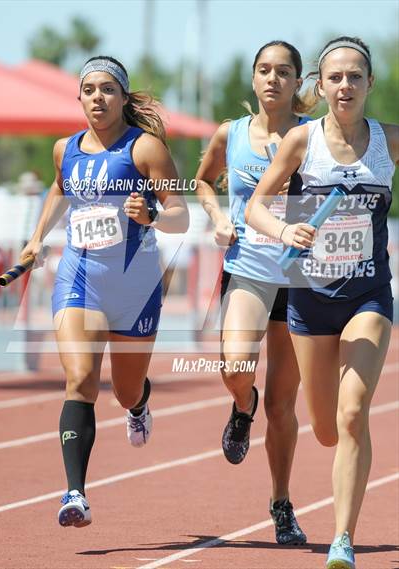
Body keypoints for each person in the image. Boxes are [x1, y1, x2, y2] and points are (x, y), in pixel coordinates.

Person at [245, 36, 398, 569]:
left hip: (368, 296)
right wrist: (285, 232)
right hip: (310, 300)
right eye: (335, 77)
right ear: (321, 85)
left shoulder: (388, 140)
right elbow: (256, 209)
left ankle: (342, 540)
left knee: (354, 413)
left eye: (355, 76)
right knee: (328, 429)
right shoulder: (301, 142)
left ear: (370, 83)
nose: (345, 86)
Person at [20, 56, 189, 528]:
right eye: (89, 89)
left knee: (125, 388)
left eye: (108, 89)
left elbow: (182, 213)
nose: (98, 97)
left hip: (134, 285)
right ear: (79, 97)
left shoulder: (147, 149)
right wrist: (37, 239)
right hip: (79, 277)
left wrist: (152, 215)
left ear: (122, 97)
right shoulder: (64, 149)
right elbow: (59, 189)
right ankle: (74, 492)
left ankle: (137, 404)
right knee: (80, 380)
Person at [196, 41, 313, 545]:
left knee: (283, 408)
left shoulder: (316, 137)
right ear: (253, 79)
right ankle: (241, 405)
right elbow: (202, 182)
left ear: (298, 82)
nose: (273, 79)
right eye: (264, 70)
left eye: (283, 72)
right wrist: (219, 216)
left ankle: (281, 504)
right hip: (247, 267)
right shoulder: (232, 133)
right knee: (234, 366)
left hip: (301, 279)